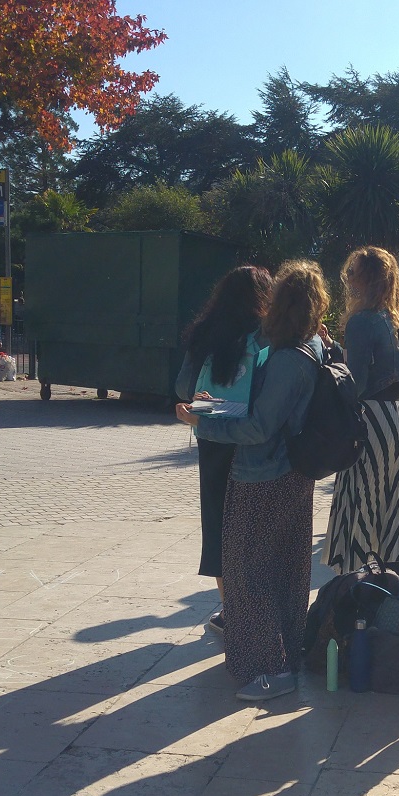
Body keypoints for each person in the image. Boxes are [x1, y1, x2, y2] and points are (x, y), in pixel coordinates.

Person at [175, 260, 329, 703]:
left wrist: (206, 425)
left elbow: (258, 426)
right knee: (287, 567)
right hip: (292, 473)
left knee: (247, 572)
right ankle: (285, 655)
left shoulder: (287, 358)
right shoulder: (311, 345)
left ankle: (270, 668)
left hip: (263, 473)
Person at [175, 265, 274, 634]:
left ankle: (231, 611)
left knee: (218, 524)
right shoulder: (268, 335)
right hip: (254, 438)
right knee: (254, 525)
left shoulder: (205, 333)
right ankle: (260, 607)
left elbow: (184, 386)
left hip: (212, 436)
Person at [323, 247, 399, 575]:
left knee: (361, 503)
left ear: (367, 279)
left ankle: (358, 593)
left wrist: (331, 368)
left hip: (372, 419)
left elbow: (357, 383)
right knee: (395, 507)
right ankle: (394, 586)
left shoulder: (361, 320)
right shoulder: (395, 316)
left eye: (353, 273)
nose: (348, 280)